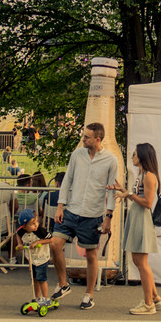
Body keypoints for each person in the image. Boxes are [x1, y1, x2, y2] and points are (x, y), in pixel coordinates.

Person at [49, 122, 118, 310]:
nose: (83, 139)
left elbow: (112, 191)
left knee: (90, 255)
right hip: (71, 209)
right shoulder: (77, 155)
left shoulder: (111, 160)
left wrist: (108, 217)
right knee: (55, 244)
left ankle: (89, 294)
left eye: (86, 137)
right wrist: (60, 206)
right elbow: (67, 180)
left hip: (92, 214)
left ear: (97, 138)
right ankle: (63, 284)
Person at [109, 143, 161, 314]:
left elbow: (147, 203)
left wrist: (128, 194)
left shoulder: (149, 176)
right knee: (138, 261)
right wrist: (124, 191)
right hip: (137, 218)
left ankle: (148, 304)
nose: (132, 156)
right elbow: (137, 197)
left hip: (142, 220)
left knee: (141, 262)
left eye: (135, 154)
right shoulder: (142, 175)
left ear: (143, 157)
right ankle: (154, 297)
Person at [15, 209, 52, 303]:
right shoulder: (21, 231)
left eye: (36, 222)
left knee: (41, 278)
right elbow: (17, 235)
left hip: (42, 257)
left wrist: (39, 242)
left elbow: (51, 239)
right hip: (31, 258)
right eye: (32, 224)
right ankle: (37, 297)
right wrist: (19, 244)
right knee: (34, 279)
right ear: (24, 227)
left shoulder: (39, 231)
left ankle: (46, 298)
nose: (36, 225)